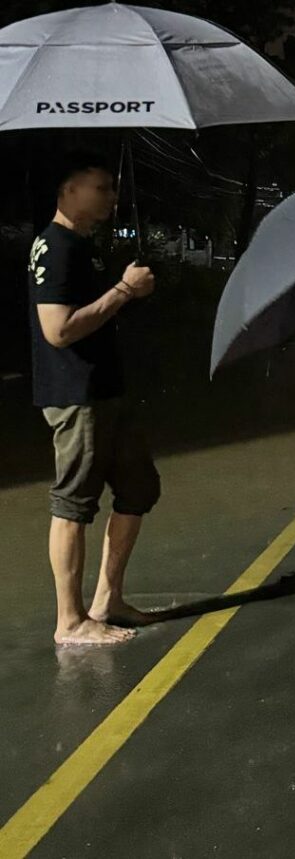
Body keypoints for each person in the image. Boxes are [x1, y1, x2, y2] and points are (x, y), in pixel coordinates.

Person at [29, 151, 160, 647]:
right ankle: (70, 620)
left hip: (105, 390)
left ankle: (109, 600)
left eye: (111, 186)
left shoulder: (82, 246)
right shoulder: (57, 246)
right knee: (73, 504)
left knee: (139, 487)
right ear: (67, 191)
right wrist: (124, 291)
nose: (110, 195)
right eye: (99, 187)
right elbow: (57, 330)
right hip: (76, 394)